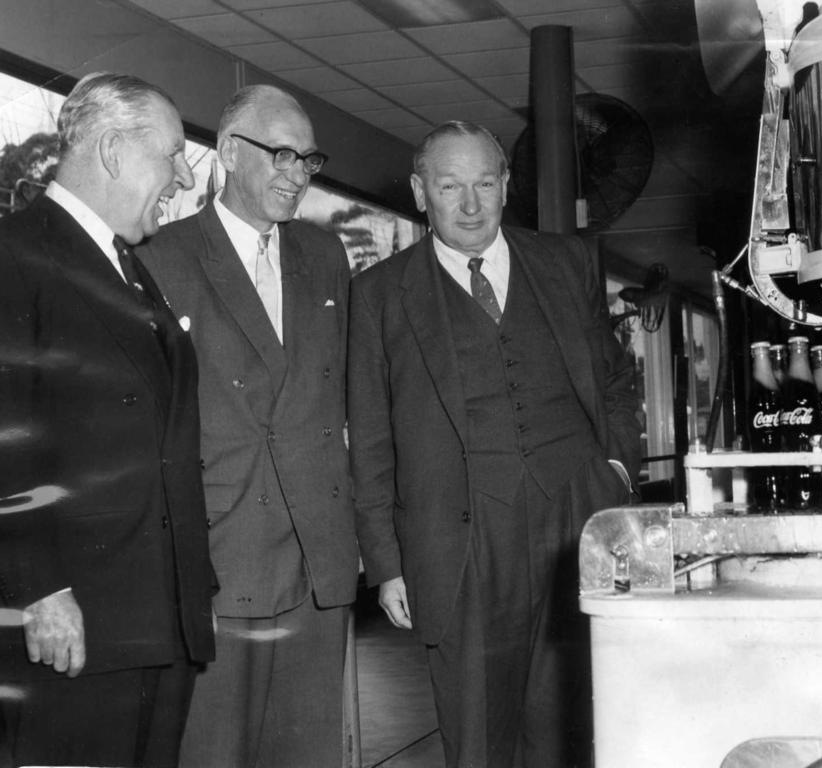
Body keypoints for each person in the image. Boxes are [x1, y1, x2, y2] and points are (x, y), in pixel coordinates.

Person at [348, 120, 642, 768]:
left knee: (574, 726)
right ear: (421, 193)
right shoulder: (378, 295)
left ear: (507, 185)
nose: (471, 204)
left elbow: (617, 380)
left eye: (485, 182)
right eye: (451, 187)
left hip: (575, 521)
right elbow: (369, 439)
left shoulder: (566, 264)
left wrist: (615, 473)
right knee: (478, 736)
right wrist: (386, 560)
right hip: (460, 539)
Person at [137, 84, 357, 768]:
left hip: (316, 571)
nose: (298, 173)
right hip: (217, 567)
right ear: (230, 152)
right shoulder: (161, 259)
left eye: (308, 159)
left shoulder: (325, 258)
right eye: (282, 154)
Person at [0, 72, 215, 768]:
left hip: (150, 621)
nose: (183, 177)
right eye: (173, 154)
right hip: (74, 624)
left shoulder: (127, 264)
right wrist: (40, 590)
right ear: (117, 151)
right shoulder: (15, 253)